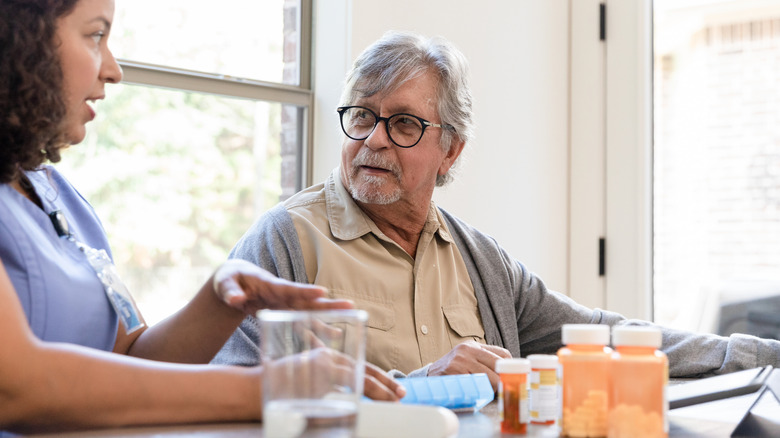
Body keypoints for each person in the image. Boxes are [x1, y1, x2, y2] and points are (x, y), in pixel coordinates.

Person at [213, 30, 780, 388]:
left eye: (405, 123)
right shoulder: (285, 240)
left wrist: (754, 354)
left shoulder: (480, 260)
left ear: (450, 150)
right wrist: (418, 383)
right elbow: (232, 389)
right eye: (362, 116)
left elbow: (605, 335)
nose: (374, 139)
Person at [0, 0, 403, 434]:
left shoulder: (58, 195)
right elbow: (15, 385)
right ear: (21, 37)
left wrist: (218, 301)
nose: (113, 69)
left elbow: (131, 365)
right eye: (96, 35)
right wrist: (269, 388)